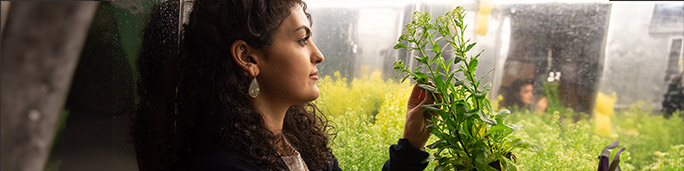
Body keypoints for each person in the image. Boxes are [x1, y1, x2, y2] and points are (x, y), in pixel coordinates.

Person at [132, 0, 434, 170]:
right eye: (302, 40)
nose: (319, 55)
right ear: (248, 57)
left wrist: (410, 145)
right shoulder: (220, 167)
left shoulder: (299, 145)